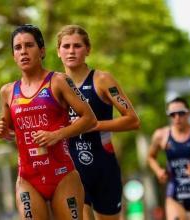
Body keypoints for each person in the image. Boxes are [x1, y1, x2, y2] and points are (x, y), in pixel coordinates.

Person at [0, 24, 97, 220]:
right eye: (18, 48)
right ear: (13, 55)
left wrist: (56, 135)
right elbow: (9, 131)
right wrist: (1, 130)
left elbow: (89, 119)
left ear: (41, 51)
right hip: (28, 178)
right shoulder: (7, 91)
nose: (23, 52)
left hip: (62, 174)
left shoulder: (58, 81)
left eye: (29, 45)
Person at [56, 25, 140, 220]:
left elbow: (132, 120)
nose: (71, 51)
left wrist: (93, 125)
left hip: (103, 166)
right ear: (58, 52)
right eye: (66, 46)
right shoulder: (54, 84)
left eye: (77, 46)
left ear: (88, 50)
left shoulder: (102, 80)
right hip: (71, 169)